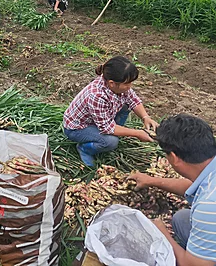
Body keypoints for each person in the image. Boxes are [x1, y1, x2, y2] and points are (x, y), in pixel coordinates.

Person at [128, 114, 216, 266]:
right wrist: (152, 181)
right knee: (182, 218)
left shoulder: (208, 207)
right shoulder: (209, 175)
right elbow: (191, 187)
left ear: (174, 157)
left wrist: (161, 233)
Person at [63, 56, 158, 167]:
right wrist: (137, 134)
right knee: (110, 142)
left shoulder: (118, 84)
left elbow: (133, 100)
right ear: (112, 83)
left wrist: (145, 117)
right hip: (78, 128)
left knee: (126, 105)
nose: (130, 86)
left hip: (99, 120)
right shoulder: (97, 95)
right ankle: (84, 149)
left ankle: (116, 133)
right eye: (127, 84)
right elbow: (106, 128)